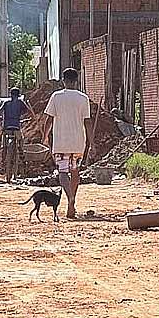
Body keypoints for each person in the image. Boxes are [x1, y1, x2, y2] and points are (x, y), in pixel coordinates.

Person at [42, 68, 92, 219]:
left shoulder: (56, 97)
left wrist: (44, 136)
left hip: (61, 142)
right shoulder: (83, 98)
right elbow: (87, 122)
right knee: (75, 171)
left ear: (63, 80)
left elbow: (49, 119)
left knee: (63, 172)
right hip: (78, 142)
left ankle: (69, 197)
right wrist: (92, 141)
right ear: (76, 81)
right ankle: (73, 199)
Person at [0, 87, 35, 182]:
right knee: (21, 140)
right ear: (18, 95)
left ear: (11, 95)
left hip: (6, 128)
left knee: (4, 145)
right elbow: (28, 112)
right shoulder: (20, 102)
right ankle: (21, 153)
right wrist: (27, 117)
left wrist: (0, 119)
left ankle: (4, 155)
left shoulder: (6, 103)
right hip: (16, 127)